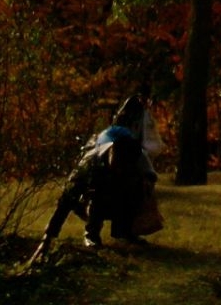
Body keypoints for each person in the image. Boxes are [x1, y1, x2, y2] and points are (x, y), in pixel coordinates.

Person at [29, 94, 161, 262]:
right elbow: (65, 201)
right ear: (112, 152)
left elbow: (150, 177)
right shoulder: (90, 161)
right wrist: (46, 240)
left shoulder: (138, 156)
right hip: (93, 197)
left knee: (138, 187)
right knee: (99, 192)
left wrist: (145, 187)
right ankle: (92, 233)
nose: (121, 168)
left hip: (122, 195)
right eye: (118, 164)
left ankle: (125, 231)